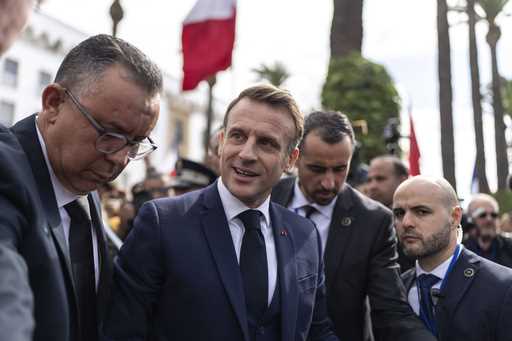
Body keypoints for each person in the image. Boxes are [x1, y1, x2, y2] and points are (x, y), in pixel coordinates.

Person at [104, 85, 338, 341]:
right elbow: (123, 331)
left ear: (290, 160)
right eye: (238, 136)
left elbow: (317, 330)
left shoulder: (304, 235)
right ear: (222, 142)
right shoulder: (163, 223)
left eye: (266, 143)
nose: (246, 154)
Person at [1, 34, 162, 341]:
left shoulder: (84, 191)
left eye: (135, 143)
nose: (119, 159)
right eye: (110, 134)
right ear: (54, 103)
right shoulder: (6, 171)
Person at [271, 111, 434, 341]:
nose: (329, 182)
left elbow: (390, 308)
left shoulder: (374, 221)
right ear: (295, 157)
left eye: (340, 169)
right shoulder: (265, 196)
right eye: (317, 169)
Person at [395, 176, 512, 340]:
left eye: (421, 211)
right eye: (399, 213)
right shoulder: (395, 291)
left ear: (455, 217)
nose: (406, 222)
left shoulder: (503, 287)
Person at [367, 155, 413, 272]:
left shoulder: (421, 220)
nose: (372, 186)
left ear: (402, 180)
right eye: (369, 180)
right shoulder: (361, 221)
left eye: (380, 179)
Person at [463, 194, 512, 267]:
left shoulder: (509, 247)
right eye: (482, 215)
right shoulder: (460, 250)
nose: (489, 219)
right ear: (470, 220)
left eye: (493, 215)